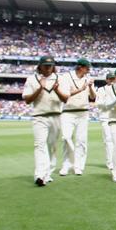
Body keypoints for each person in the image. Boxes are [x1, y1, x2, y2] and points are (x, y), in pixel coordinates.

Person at [21, 56, 69, 186]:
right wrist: (39, 88)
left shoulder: (61, 79)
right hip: (39, 116)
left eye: (50, 65)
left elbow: (65, 99)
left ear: (54, 66)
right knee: (39, 145)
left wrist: (57, 89)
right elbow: (27, 100)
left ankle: (47, 174)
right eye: (45, 65)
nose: (48, 68)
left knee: (52, 147)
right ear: (40, 66)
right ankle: (39, 175)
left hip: (56, 116)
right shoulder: (32, 79)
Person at [59, 58, 95, 176]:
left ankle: (78, 166)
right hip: (68, 112)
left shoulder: (88, 79)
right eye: (87, 68)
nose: (88, 70)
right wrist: (81, 89)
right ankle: (66, 164)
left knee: (81, 141)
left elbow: (93, 97)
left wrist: (89, 87)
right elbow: (65, 95)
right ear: (80, 67)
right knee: (66, 137)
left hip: (83, 112)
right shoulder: (66, 77)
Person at [95, 71, 116, 170]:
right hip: (105, 117)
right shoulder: (101, 89)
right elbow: (98, 103)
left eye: (113, 79)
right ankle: (110, 162)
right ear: (107, 80)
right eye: (110, 79)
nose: (112, 81)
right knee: (108, 140)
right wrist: (110, 103)